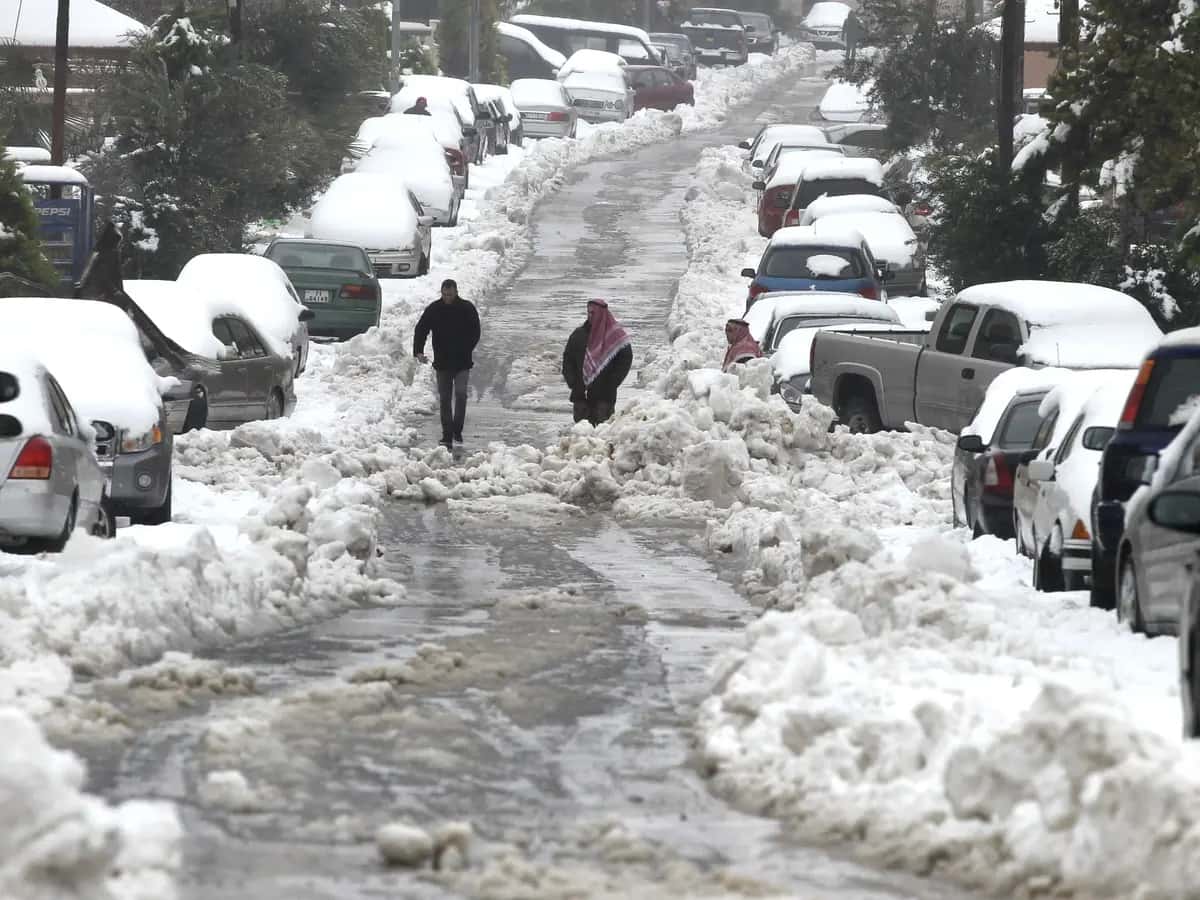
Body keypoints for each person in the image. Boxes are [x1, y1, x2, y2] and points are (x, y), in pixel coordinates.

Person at [413, 279, 481, 448]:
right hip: (442, 362)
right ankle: (447, 434)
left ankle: (457, 429)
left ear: (456, 292)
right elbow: (421, 329)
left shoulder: (467, 308)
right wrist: (418, 351)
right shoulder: (434, 309)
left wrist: (467, 348)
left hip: (462, 362)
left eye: (450, 295)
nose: (447, 298)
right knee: (444, 398)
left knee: (461, 394)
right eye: (444, 295)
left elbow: (475, 331)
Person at [562, 300, 633, 426]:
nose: (590, 316)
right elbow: (568, 360)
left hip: (604, 397)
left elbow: (625, 361)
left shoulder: (615, 337)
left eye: (593, 313)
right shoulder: (578, 335)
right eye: (588, 312)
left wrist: (612, 383)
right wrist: (573, 383)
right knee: (581, 432)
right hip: (581, 396)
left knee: (602, 431)